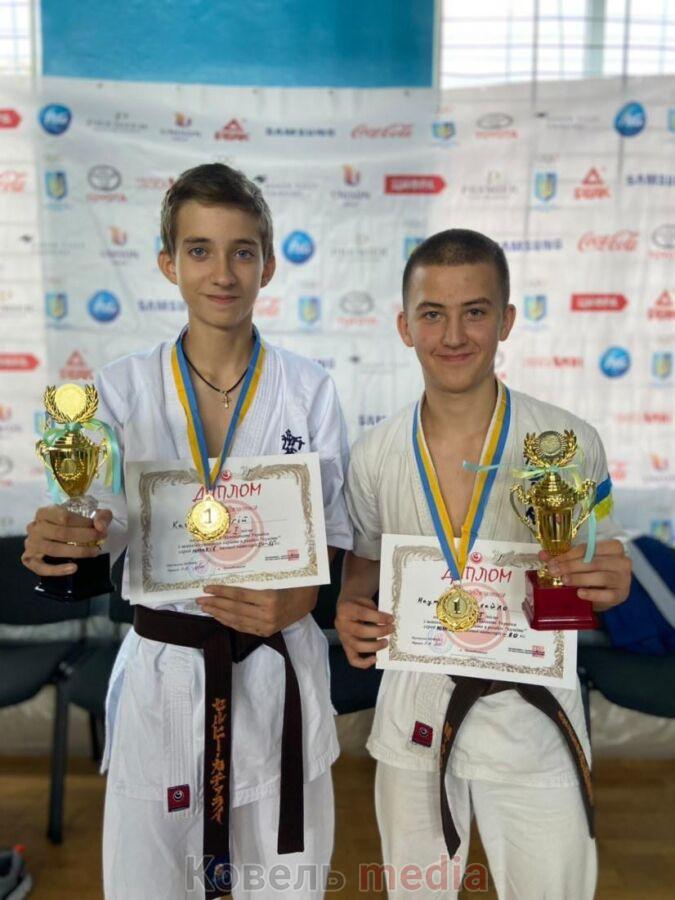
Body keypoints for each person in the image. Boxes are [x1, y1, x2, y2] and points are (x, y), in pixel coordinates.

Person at [22, 164, 353, 900]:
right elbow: (96, 525)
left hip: (276, 667)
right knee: (151, 885)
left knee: (284, 885)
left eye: (242, 251)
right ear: (168, 263)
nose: (222, 273)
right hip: (166, 674)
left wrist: (302, 598)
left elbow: (330, 535)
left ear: (268, 265)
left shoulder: (309, 389)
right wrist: (62, 541)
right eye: (199, 250)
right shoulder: (118, 390)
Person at [335, 229, 631, 900]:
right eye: (432, 313)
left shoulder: (569, 442)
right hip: (415, 710)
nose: (452, 335)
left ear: (505, 320)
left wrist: (611, 584)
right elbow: (364, 567)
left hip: (533, 716)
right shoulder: (374, 455)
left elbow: (598, 562)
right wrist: (350, 609)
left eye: (474, 311)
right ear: (404, 326)